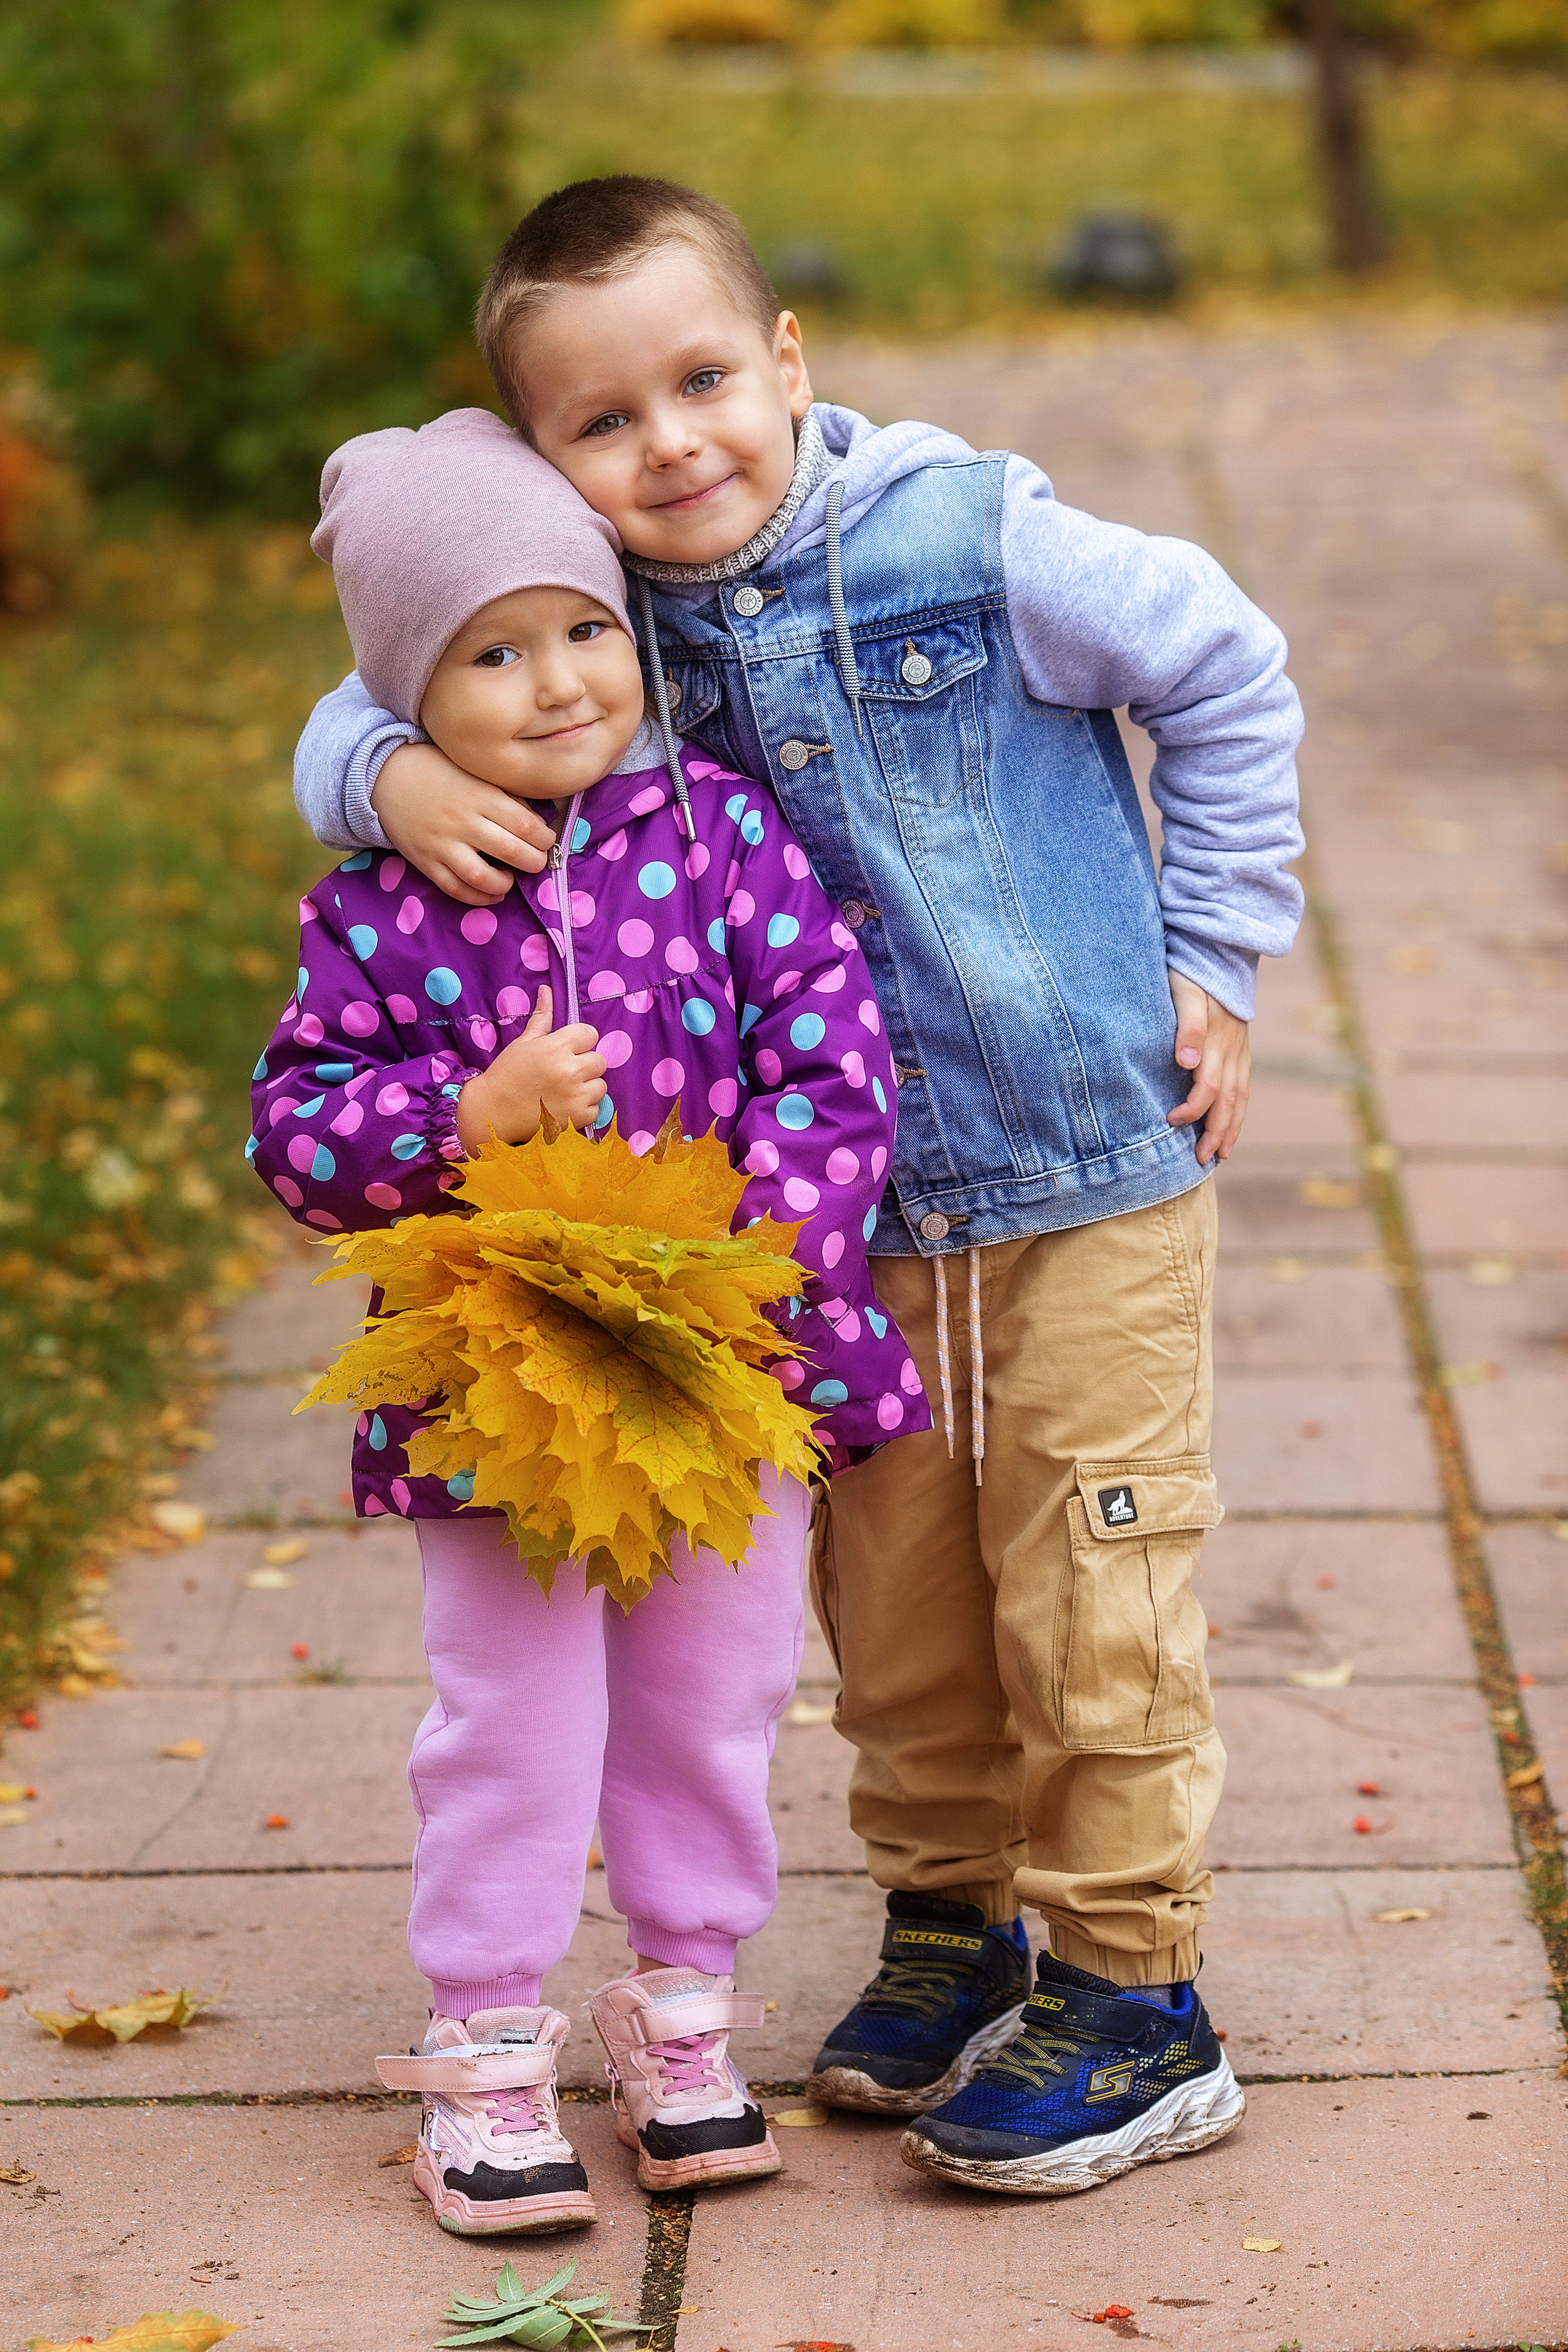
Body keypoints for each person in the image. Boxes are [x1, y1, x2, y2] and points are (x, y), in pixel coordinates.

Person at [291, 176, 1307, 2198]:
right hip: (840, 1226)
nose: (669, 445)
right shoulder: (613, 608)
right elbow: (413, 644)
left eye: (700, 383)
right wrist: (380, 770)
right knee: (897, 1600)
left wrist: (1215, 949)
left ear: (788, 362)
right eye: (603, 423)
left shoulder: (970, 533)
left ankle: (1134, 1991)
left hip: (1084, 1157)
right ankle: (952, 1923)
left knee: (1089, 1565)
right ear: (555, 471)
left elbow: (1230, 667)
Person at [251, 407, 924, 2236]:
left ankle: (685, 2010)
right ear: (402, 694)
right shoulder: (380, 909)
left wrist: (730, 1262)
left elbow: (833, 1064)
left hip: (728, 1358)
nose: (555, 683)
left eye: (584, 628)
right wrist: (456, 1124)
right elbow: (297, 1132)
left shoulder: (723, 840)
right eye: (489, 650)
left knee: (718, 1697)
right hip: (500, 1382)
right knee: (514, 1716)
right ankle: (483, 2045)